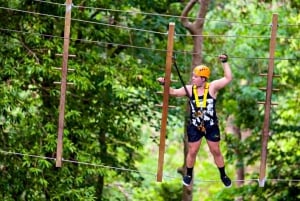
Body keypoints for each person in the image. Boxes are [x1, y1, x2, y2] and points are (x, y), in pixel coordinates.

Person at [157, 54, 233, 187]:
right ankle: (189, 174)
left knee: (216, 151)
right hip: (195, 126)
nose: (193, 78)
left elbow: (228, 78)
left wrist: (225, 62)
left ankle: (223, 175)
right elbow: (173, 92)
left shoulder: (212, 87)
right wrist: (165, 84)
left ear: (203, 79)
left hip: (211, 126)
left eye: (195, 77)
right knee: (192, 151)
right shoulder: (189, 90)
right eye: (193, 76)